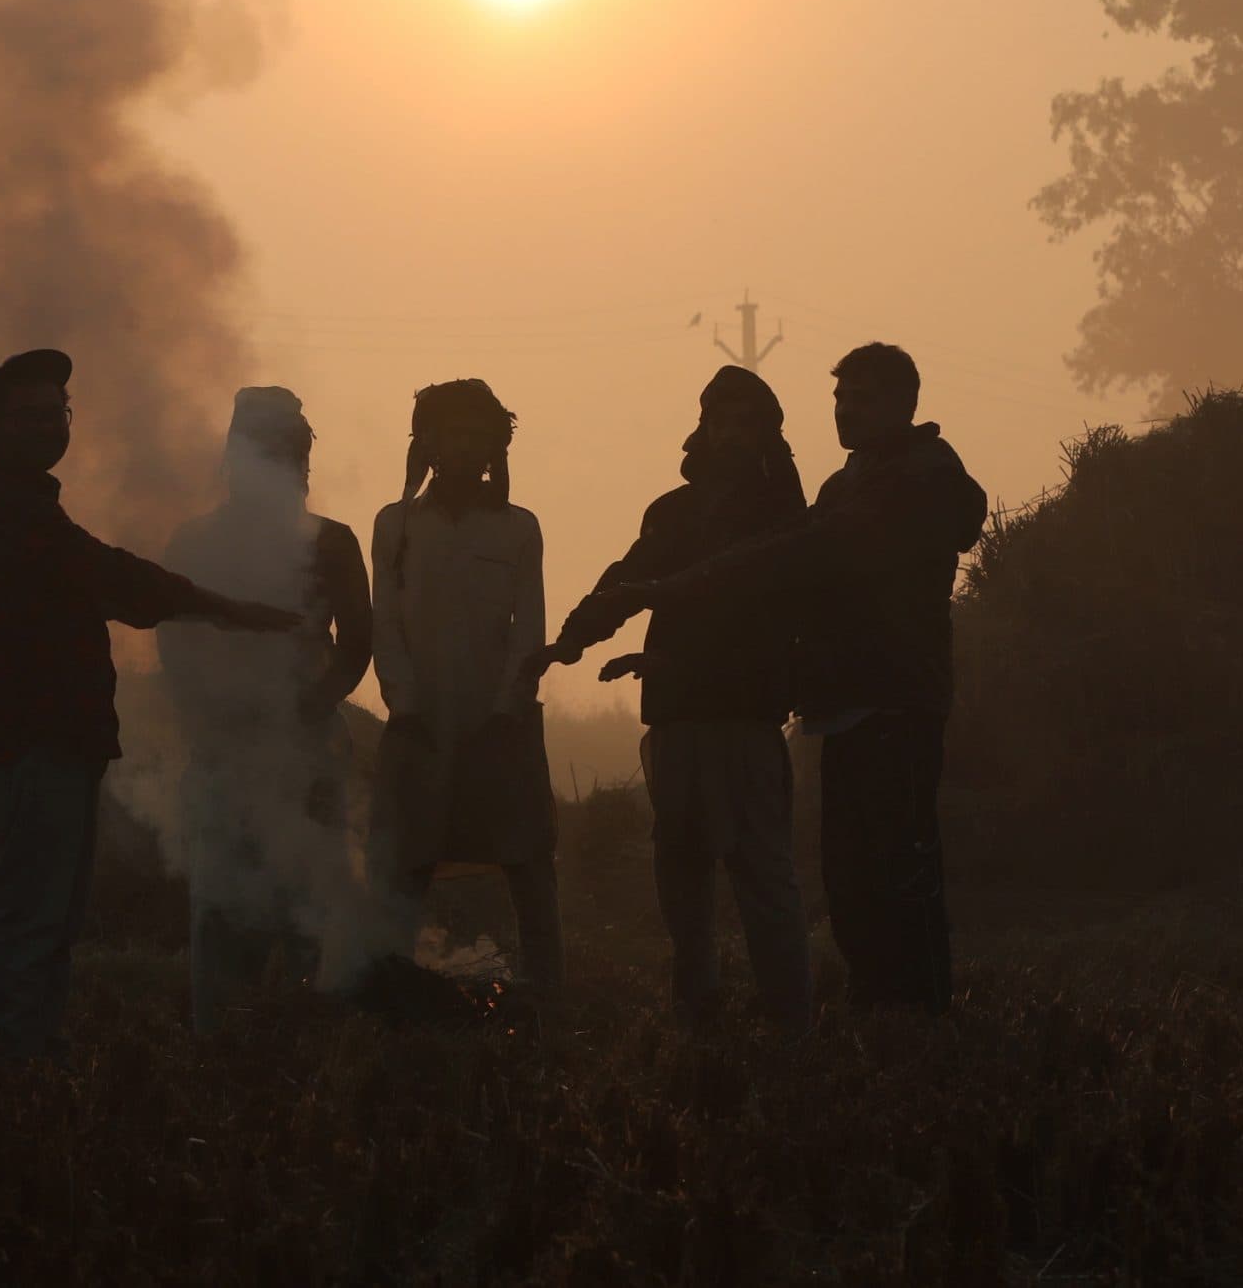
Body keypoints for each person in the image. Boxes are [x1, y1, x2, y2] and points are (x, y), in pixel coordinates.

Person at [562, 343, 985, 1014]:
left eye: (865, 399)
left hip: (895, 701)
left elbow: (796, 559)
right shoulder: (838, 485)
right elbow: (793, 582)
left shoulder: (920, 477)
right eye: (841, 398)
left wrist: (682, 587)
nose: (848, 411)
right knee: (847, 878)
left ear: (906, 406)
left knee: (891, 871)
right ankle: (877, 1016)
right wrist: (591, 636)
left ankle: (919, 1019)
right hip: (838, 703)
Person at [0, 348, 299, 1060]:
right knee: (34, 916)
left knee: (51, 915)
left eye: (58, 413)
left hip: (57, 744)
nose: (51, 426)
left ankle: (31, 1060)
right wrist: (231, 610)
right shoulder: (10, 510)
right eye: (33, 415)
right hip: (33, 745)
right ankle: (19, 1071)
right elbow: (117, 579)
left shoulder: (26, 506)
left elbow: (115, 583)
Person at [531, 365, 813, 1028]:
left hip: (746, 717)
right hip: (678, 717)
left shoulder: (786, 519)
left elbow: (740, 594)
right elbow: (629, 576)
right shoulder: (675, 512)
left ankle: (791, 1027)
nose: (736, 434)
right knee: (684, 892)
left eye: (751, 422)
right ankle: (698, 1020)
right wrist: (570, 640)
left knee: (765, 884)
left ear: (771, 434)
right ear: (705, 430)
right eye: (724, 421)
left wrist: (651, 623)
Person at [158, 387, 373, 1035]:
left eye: (299, 450)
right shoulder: (194, 541)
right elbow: (174, 639)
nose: (295, 465)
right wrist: (212, 708)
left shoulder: (332, 542)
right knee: (221, 901)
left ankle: (302, 1035)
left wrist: (311, 702)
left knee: (308, 895)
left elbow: (358, 645)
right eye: (278, 449)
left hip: (305, 748)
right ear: (238, 456)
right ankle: (219, 1038)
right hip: (225, 747)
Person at [368, 378, 561, 990]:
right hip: (419, 721)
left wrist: (506, 712)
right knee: (404, 860)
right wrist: (405, 704)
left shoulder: (518, 528)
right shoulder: (395, 525)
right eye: (446, 432)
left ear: (494, 446)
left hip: (500, 723)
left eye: (474, 432)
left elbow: (529, 629)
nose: (460, 445)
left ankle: (546, 998)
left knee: (527, 862)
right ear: (423, 443)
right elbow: (385, 624)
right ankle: (389, 990)